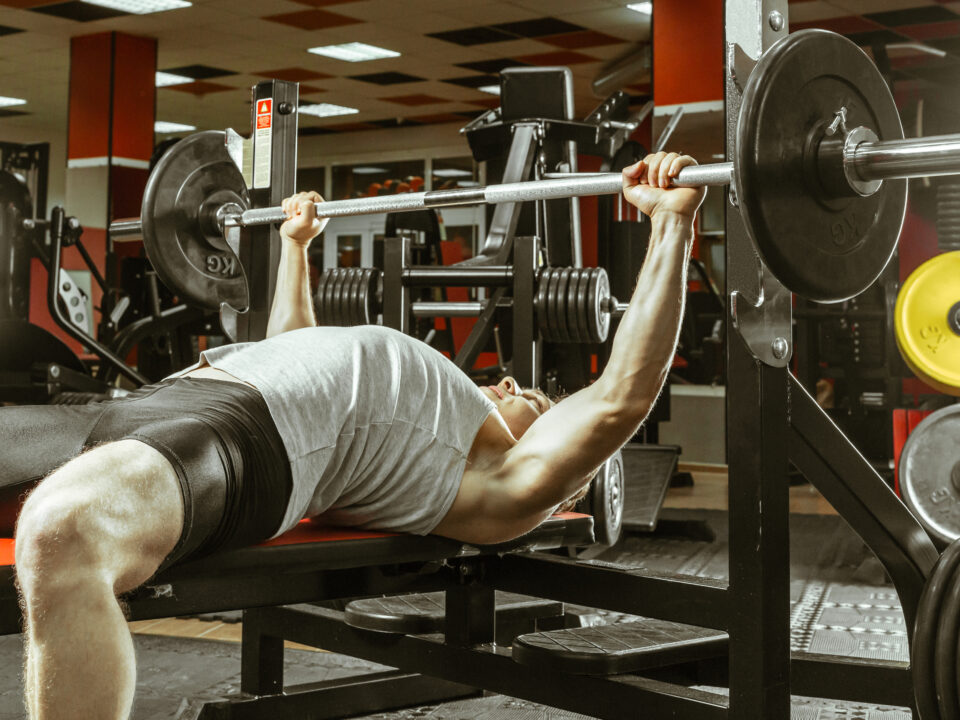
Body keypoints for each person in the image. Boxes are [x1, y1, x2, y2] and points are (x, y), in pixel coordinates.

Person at [6, 151, 703, 720]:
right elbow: (292, 347)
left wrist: (671, 226)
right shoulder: (417, 410)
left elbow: (621, 395)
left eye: (524, 395)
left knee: (62, 534)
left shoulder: (505, 483)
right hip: (168, 398)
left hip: (243, 438)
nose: (504, 384)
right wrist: (295, 246)